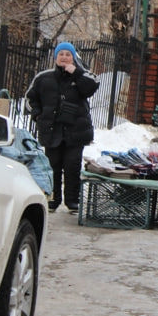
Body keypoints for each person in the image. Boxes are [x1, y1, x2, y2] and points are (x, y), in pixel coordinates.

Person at [25, 41, 99, 213]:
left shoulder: (82, 76)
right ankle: (52, 199)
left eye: (68, 54)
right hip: (52, 131)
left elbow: (91, 87)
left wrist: (76, 73)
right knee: (52, 167)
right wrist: (38, 115)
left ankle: (73, 201)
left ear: (73, 58)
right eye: (61, 54)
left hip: (75, 131)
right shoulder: (43, 78)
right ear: (55, 57)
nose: (64, 57)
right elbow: (30, 99)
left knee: (72, 166)